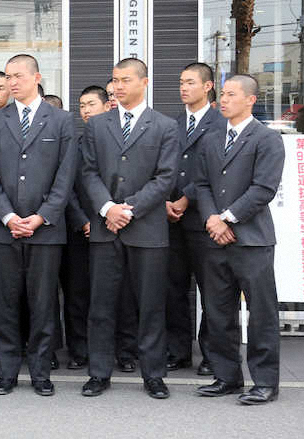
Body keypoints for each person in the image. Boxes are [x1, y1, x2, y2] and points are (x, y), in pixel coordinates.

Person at [0, 55, 77, 396]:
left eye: (17, 76)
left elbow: (65, 177)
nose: (11, 83)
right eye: (7, 77)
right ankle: (6, 370)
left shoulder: (61, 121)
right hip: (0, 230)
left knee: (43, 303)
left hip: (46, 230)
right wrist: (8, 216)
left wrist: (40, 216)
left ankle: (40, 371)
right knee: (4, 304)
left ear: (36, 77)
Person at [81, 58, 178, 399]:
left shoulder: (164, 126)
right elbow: (88, 173)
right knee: (101, 305)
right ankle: (98, 372)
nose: (118, 86)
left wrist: (129, 210)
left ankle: (153, 374)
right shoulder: (97, 125)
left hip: (147, 229)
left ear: (144, 82)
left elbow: (165, 178)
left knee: (150, 305)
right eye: (114, 80)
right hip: (106, 227)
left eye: (125, 80)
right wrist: (108, 209)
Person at [194, 74, 284, 405]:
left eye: (232, 94)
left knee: (261, 313)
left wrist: (226, 218)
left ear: (250, 99)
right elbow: (201, 184)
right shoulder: (212, 138)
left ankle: (264, 382)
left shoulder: (267, 139)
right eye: (223, 94)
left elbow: (263, 188)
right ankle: (226, 376)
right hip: (215, 239)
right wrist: (210, 220)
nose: (224, 100)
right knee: (218, 311)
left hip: (251, 240)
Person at [167, 62, 221, 376]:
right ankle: (178, 351)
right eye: (181, 82)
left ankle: (212, 354)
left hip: (204, 217)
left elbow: (214, 171)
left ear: (207, 86)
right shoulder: (172, 124)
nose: (184, 88)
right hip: (171, 218)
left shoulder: (219, 124)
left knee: (211, 288)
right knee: (173, 287)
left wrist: (186, 198)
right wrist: (164, 201)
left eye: (190, 82)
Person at [59, 85, 112, 371]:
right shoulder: (74, 143)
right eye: (82, 105)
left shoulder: (117, 141)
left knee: (108, 294)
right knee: (76, 293)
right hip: (79, 228)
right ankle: (78, 349)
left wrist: (104, 218)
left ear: (107, 106)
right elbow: (65, 187)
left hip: (112, 226)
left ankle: (115, 350)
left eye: (91, 104)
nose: (86, 110)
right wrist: (82, 220)